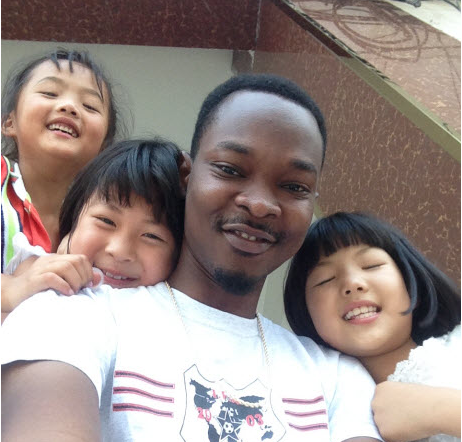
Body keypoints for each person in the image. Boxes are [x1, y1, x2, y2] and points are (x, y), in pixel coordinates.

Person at [2, 74, 382, 442]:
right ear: (187, 175)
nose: (260, 204)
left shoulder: (338, 378)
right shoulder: (70, 314)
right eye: (230, 169)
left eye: (294, 186)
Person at [284, 211, 461, 442]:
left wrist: (441, 410)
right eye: (325, 279)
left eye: (371, 265)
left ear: (411, 284)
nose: (352, 283)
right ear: (307, 314)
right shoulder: (308, 408)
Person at [2, 138, 185, 317]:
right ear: (74, 219)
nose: (119, 251)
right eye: (106, 221)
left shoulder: (174, 311)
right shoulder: (35, 275)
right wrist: (14, 291)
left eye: (151, 236)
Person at [1, 47, 120, 308]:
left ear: (104, 147)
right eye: (49, 93)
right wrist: (11, 289)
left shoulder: (111, 216)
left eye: (89, 106)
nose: (69, 106)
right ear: (9, 122)